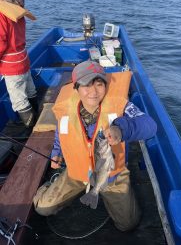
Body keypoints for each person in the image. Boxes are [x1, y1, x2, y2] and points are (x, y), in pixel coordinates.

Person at [33, 60, 157, 232]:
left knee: (128, 223)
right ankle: (49, 186)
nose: (93, 91)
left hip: (111, 174)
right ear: (76, 88)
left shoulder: (121, 105)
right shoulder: (65, 108)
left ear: (105, 85)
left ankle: (115, 194)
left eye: (99, 84)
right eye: (86, 85)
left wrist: (121, 129)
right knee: (42, 208)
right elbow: (60, 131)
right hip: (76, 170)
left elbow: (150, 125)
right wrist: (56, 151)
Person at [0, 0, 38, 127]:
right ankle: (37, 114)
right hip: (23, 59)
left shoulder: (1, 12)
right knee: (30, 90)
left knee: (18, 100)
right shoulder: (16, 4)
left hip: (11, 66)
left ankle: (30, 128)